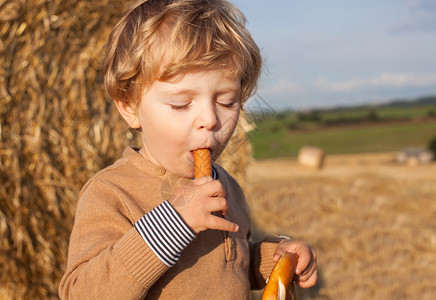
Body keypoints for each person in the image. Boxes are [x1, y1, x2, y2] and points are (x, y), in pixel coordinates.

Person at [59, 0, 317, 299]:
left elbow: (229, 268)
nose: (209, 119)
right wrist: (172, 223)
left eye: (226, 102)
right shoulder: (112, 193)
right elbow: (82, 292)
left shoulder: (227, 187)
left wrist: (279, 256)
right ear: (130, 107)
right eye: (181, 104)